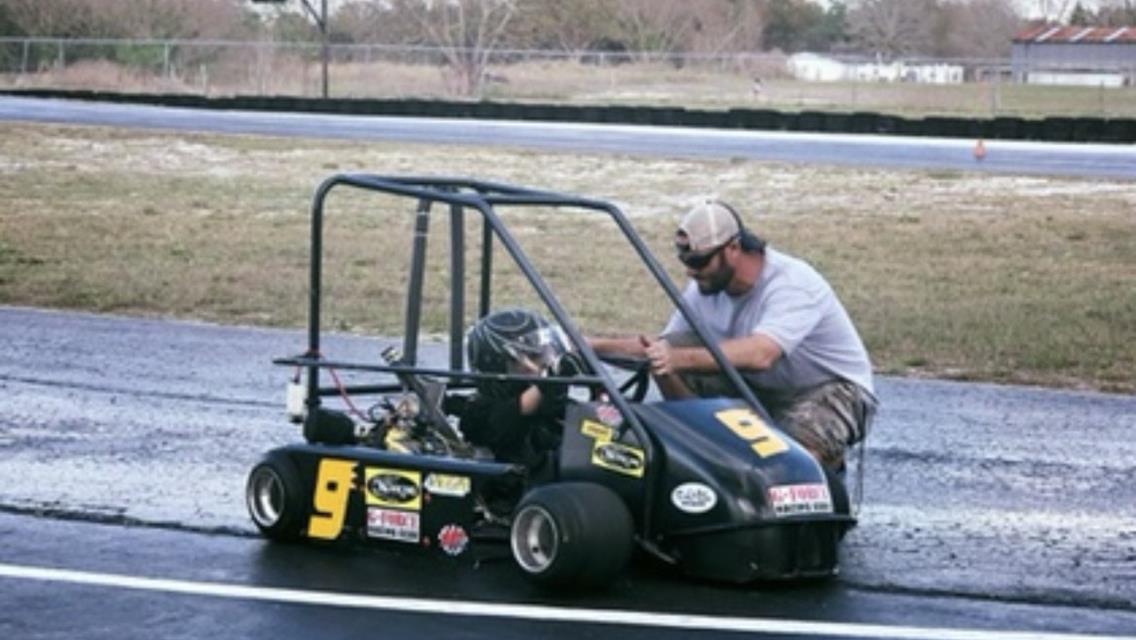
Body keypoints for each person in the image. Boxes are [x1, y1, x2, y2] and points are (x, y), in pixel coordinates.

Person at [590, 199, 876, 472]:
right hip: (757, 390)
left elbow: (762, 354)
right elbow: (661, 348)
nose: (691, 272)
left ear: (733, 248)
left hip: (830, 389)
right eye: (685, 260)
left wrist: (675, 359)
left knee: (787, 461)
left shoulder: (792, 283)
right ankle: (705, 452)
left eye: (700, 261)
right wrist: (587, 346)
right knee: (670, 353)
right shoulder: (704, 287)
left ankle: (820, 483)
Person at [443, 307, 577, 471]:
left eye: (543, 354)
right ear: (497, 364)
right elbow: (520, 408)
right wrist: (556, 374)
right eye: (535, 357)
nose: (543, 362)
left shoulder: (549, 404)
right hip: (517, 488)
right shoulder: (480, 414)